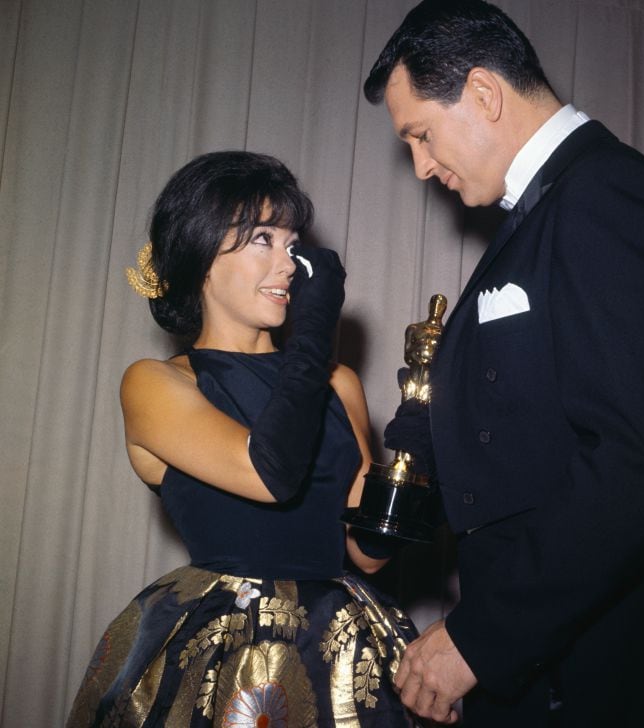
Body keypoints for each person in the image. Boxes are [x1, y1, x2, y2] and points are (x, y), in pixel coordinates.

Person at [364, 1, 644, 726]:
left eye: (421, 135)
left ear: (484, 94)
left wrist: (478, 638)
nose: (422, 166)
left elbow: (640, 457)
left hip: (596, 683)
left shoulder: (605, 195)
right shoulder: (544, 212)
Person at [66, 151, 418, 727]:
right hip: (222, 648)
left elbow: (367, 556)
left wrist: (417, 453)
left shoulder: (339, 384)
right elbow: (268, 473)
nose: (291, 264)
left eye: (293, 242)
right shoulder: (158, 383)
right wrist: (313, 335)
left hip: (343, 643)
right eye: (263, 239)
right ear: (201, 256)